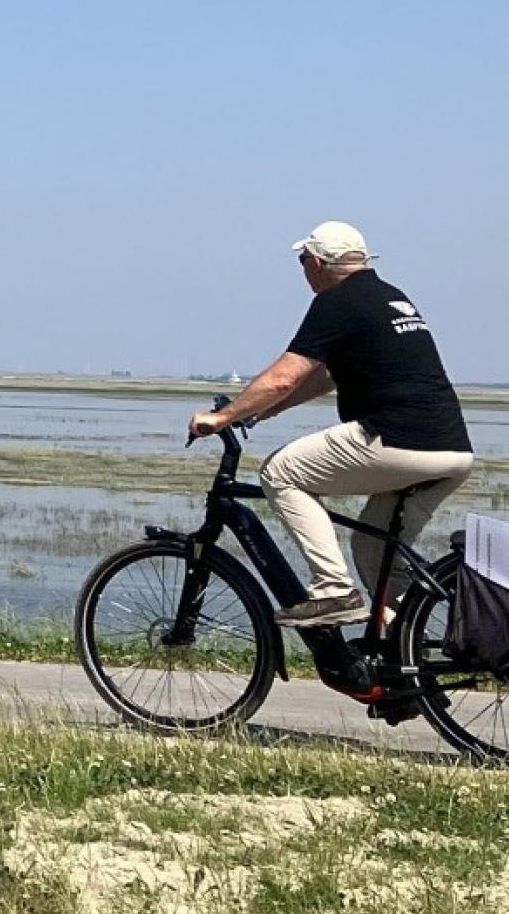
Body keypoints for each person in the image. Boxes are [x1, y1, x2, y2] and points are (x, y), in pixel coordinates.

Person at [186, 221, 474, 629]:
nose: (303, 269)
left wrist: (222, 417)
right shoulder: (391, 298)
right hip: (453, 452)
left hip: (396, 439)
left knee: (280, 472)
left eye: (303, 260)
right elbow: (326, 376)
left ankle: (334, 590)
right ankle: (402, 650)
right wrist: (267, 410)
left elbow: (284, 377)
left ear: (318, 263)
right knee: (373, 547)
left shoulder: (337, 301)